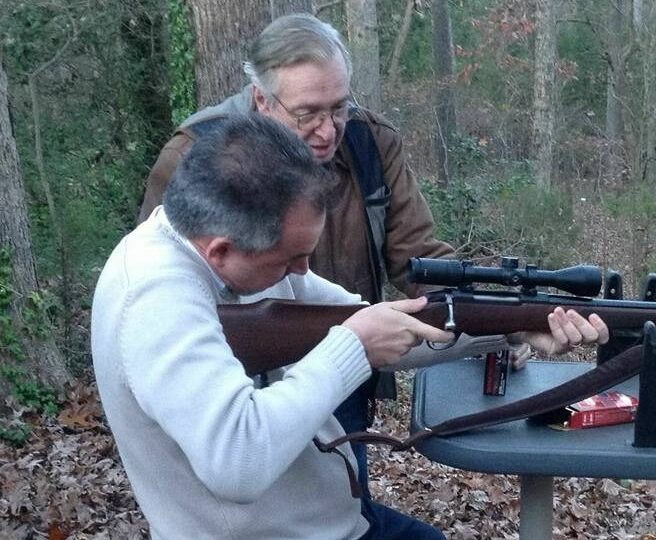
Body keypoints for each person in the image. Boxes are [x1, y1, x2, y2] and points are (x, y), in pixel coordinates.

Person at [94, 114, 608, 539]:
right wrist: (352, 349)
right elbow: (238, 461)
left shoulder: (224, 250)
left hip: (334, 522)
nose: (302, 272)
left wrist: (509, 327)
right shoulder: (156, 299)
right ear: (221, 251)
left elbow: (385, 324)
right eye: (290, 258)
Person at [136, 13, 528, 495]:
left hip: (349, 364)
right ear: (261, 99)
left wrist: (496, 318)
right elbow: (171, 286)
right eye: (307, 114)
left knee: (340, 502)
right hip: (238, 381)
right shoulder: (197, 154)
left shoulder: (368, 142)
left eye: (339, 108)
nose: (328, 130)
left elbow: (418, 257)